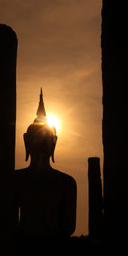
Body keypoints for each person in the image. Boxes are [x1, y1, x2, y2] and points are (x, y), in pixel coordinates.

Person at [14, 88, 76, 238]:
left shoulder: (66, 183)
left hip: (55, 250)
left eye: (46, 141)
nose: (42, 146)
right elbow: (6, 223)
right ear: (27, 142)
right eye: (37, 140)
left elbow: (68, 226)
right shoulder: (15, 181)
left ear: (54, 144)